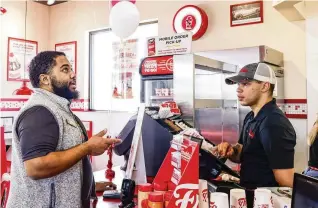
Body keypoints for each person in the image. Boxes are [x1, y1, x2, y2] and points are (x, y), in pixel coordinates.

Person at [6, 51, 121, 208]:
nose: (73, 74)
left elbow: (67, 156)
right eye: (65, 69)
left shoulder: (58, 108)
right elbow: (36, 167)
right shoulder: (40, 111)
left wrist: (88, 186)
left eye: (71, 69)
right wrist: (87, 147)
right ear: (45, 79)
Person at [217, 63, 296, 206]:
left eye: (246, 84)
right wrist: (231, 150)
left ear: (265, 86)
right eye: (239, 84)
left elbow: (286, 180)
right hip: (248, 194)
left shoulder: (274, 123)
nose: (238, 89)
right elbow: (241, 154)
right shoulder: (251, 116)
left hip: (264, 201)